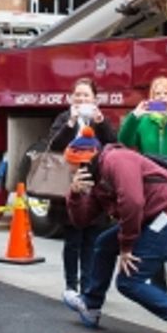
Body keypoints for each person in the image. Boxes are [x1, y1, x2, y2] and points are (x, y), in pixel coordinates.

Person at [60, 138, 167, 333]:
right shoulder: (97, 180)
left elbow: (133, 202)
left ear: (87, 162)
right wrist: (75, 195)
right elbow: (82, 220)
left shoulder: (117, 160)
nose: (72, 171)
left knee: (129, 281)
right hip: (152, 220)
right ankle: (91, 305)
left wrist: (126, 247)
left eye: (74, 166)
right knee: (104, 243)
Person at [117, 75, 167, 301]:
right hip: (150, 188)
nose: (161, 98)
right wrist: (135, 115)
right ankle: (160, 292)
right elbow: (123, 140)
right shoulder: (144, 122)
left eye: (166, 94)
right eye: (157, 94)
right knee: (153, 237)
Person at [45, 77, 116, 304]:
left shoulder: (99, 120)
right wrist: (70, 124)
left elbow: (114, 144)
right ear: (71, 98)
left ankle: (87, 285)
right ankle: (70, 285)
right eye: (78, 95)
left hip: (95, 184)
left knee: (92, 239)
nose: (82, 99)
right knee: (72, 238)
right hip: (69, 183)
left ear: (95, 99)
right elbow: (54, 146)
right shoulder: (64, 119)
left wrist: (101, 122)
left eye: (86, 95)